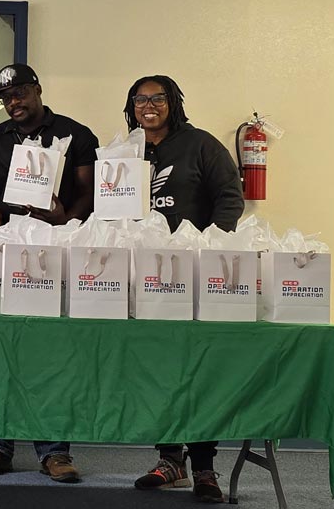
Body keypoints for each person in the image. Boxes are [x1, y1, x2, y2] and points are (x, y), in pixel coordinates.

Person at [0, 63, 98, 483]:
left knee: (50, 354)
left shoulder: (76, 133)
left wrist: (65, 221)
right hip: (8, 256)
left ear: (37, 90)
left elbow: (89, 196)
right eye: (6, 97)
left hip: (57, 253)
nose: (13, 102)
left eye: (20, 92)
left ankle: (54, 450)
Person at [126, 75, 244, 503]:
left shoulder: (201, 144)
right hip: (147, 277)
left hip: (194, 275)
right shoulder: (126, 150)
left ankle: (206, 468)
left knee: (197, 372)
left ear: (173, 103)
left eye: (157, 98)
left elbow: (230, 198)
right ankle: (170, 461)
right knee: (159, 370)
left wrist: (210, 247)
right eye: (140, 99)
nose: (148, 105)